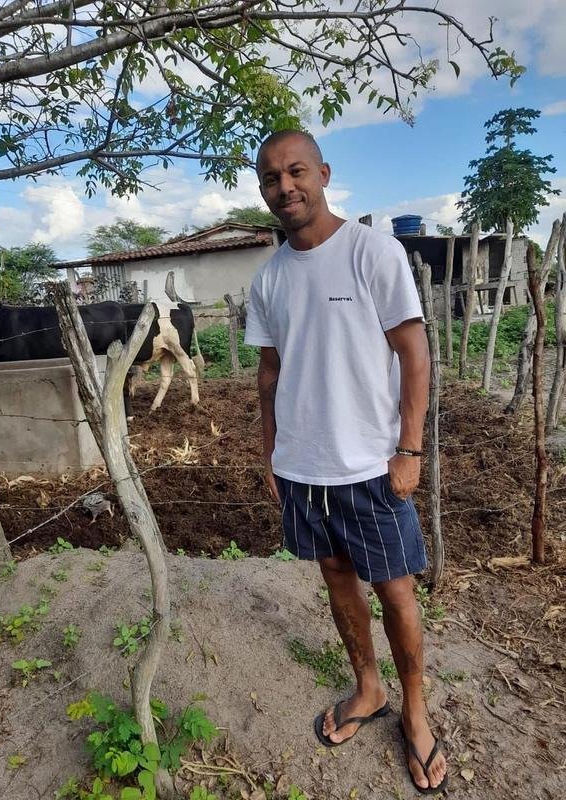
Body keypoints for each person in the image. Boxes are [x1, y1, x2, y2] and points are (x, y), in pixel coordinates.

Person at [244, 130, 447, 795]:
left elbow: (414, 354)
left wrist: (409, 449)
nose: (285, 187)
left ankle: (415, 711)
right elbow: (269, 374)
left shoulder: (372, 252)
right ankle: (368, 688)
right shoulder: (269, 278)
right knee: (336, 577)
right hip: (303, 469)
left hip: (372, 467)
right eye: (271, 178)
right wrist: (272, 452)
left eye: (296, 171)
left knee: (395, 590)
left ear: (324, 174)